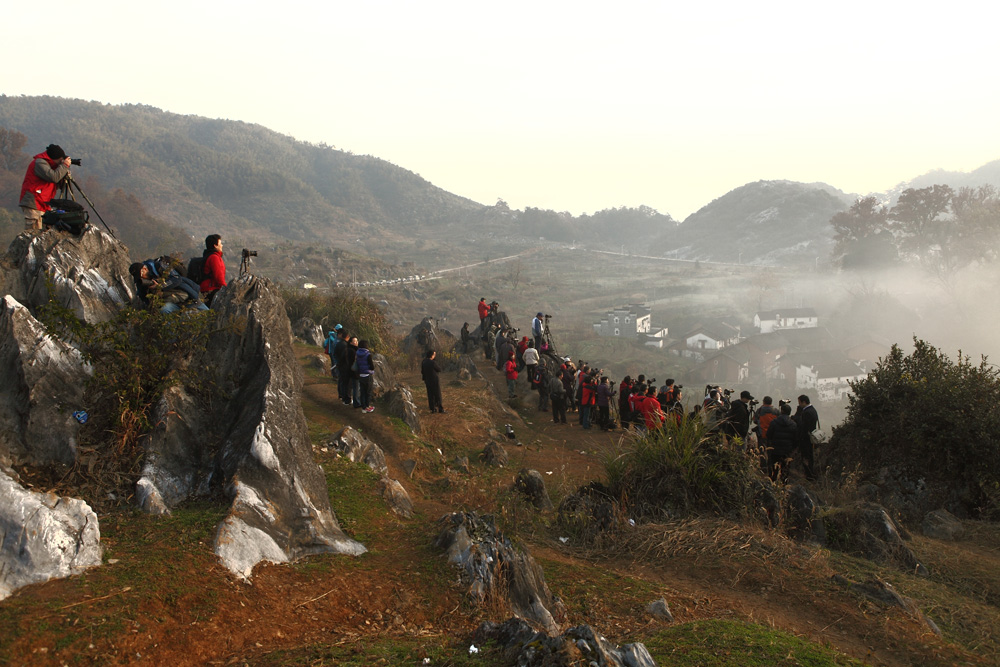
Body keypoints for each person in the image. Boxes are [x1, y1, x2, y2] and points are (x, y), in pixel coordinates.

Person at [19, 144, 72, 232]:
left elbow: (57, 183)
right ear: (54, 158)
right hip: (34, 202)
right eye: (60, 161)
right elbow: (53, 177)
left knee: (44, 232)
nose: (61, 163)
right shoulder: (39, 163)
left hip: (43, 203)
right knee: (34, 233)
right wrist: (64, 166)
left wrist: (63, 173)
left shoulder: (49, 166)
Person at [129, 258, 208, 315]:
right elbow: (144, 297)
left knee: (209, 315)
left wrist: (160, 286)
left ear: (145, 268)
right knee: (164, 310)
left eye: (142, 275)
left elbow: (176, 278)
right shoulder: (141, 282)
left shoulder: (159, 266)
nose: (142, 278)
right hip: (169, 301)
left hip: (186, 294)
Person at [765, 403, 798, 482]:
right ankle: (784, 483)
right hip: (787, 449)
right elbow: (796, 438)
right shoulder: (793, 424)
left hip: (775, 448)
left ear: (781, 411)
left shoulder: (774, 422)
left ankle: (772, 481)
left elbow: (768, 434)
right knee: (785, 468)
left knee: (774, 466)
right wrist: (792, 447)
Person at [793, 394, 819, 481]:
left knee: (806, 456)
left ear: (804, 402)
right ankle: (810, 473)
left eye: (800, 403)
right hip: (810, 437)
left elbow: (803, 426)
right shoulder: (813, 410)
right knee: (809, 456)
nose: (799, 405)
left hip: (805, 439)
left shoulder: (807, 412)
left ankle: (809, 474)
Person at [200, 234, 227, 305]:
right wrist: (226, 289)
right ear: (215, 245)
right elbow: (218, 276)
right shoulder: (214, 258)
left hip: (205, 289)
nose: (222, 245)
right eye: (220, 243)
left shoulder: (209, 255)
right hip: (212, 289)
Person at [421, 349, 445, 414]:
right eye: (434, 354)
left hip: (427, 380)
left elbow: (422, 371)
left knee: (430, 395)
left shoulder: (424, 362)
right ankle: (440, 409)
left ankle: (433, 409)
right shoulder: (433, 362)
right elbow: (439, 369)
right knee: (437, 394)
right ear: (431, 355)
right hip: (434, 380)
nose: (434, 356)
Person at [355, 340, 376, 412]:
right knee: (368, 392)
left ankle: (363, 407)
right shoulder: (368, 355)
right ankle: (367, 406)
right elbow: (372, 367)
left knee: (362, 392)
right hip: (367, 375)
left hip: (361, 375)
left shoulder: (357, 354)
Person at [333, 329, 351, 405]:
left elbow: (335, 354)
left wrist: (337, 362)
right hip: (345, 366)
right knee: (346, 383)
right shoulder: (345, 345)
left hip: (340, 365)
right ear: (347, 336)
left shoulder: (338, 344)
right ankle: (346, 398)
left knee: (341, 381)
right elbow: (346, 357)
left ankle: (341, 395)